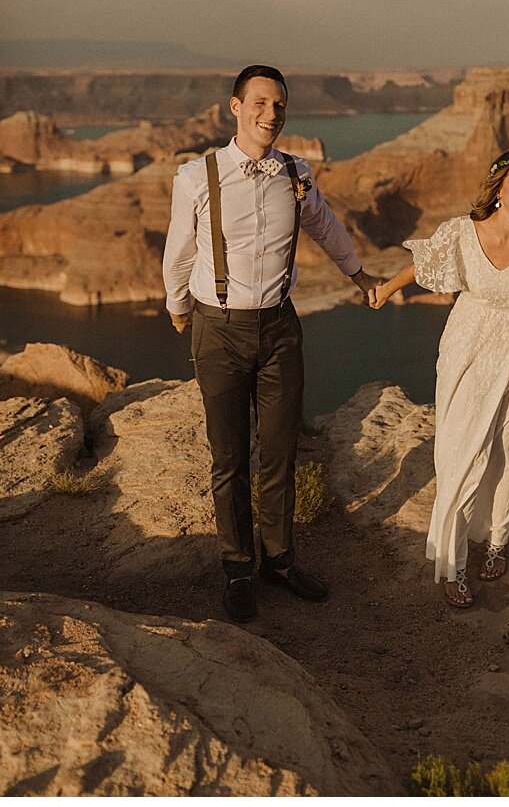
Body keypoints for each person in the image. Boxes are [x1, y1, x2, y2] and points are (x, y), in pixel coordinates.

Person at [162, 64, 380, 624]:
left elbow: (325, 225)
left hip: (280, 328)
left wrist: (358, 275)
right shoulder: (197, 176)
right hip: (219, 328)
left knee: (281, 451)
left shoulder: (296, 174)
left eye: (279, 105)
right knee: (229, 457)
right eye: (259, 103)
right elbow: (180, 251)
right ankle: (237, 568)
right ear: (235, 108)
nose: (271, 114)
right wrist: (178, 306)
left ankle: (278, 562)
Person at [369, 149, 509, 609]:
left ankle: (496, 540)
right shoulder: (461, 230)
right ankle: (452, 563)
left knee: (506, 445)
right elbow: (426, 264)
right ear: (498, 187)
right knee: (459, 450)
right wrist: (387, 289)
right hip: (465, 346)